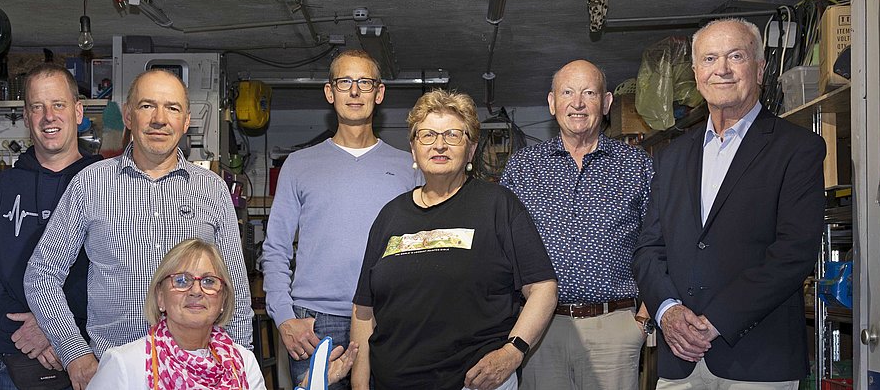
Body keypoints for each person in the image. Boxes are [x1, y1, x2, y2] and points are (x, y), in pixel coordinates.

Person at [25, 69, 254, 390]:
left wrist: (238, 362)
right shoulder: (90, 185)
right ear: (129, 116)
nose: (159, 119)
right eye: (147, 106)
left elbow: (236, 290)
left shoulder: (212, 190)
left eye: (172, 108)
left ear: (186, 121)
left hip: (197, 376)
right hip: (115, 373)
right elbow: (42, 276)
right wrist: (74, 353)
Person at [633, 18, 825, 389]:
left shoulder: (797, 149)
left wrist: (716, 321)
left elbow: (794, 252)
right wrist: (668, 312)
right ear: (695, 73)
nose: (721, 69)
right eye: (709, 59)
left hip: (758, 360)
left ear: (759, 68)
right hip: (679, 362)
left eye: (735, 56)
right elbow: (648, 249)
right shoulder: (671, 158)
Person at [351, 90, 558, 390]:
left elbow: (543, 288)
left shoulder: (498, 205)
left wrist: (512, 353)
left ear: (471, 149)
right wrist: (359, 384)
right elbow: (363, 310)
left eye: (452, 135)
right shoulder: (389, 216)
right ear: (413, 148)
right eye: (427, 135)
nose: (439, 144)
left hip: (474, 383)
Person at [260, 49, 420, 388]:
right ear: (330, 92)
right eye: (345, 81)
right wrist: (285, 318)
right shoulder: (299, 165)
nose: (354, 91)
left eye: (364, 82)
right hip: (314, 324)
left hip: (388, 318)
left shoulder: (410, 167)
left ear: (379, 93)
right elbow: (274, 249)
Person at [500, 59, 654, 390]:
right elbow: (500, 250)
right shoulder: (522, 168)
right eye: (567, 92)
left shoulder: (636, 164)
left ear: (608, 102)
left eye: (589, 92)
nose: (578, 103)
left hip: (615, 328)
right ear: (552, 102)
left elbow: (658, 241)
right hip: (540, 332)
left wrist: (641, 319)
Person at [0, 63, 102, 389]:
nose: (48, 116)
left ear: (78, 112)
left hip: (89, 356)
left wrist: (57, 329)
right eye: (37, 107)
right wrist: (28, 328)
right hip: (12, 353)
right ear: (26, 117)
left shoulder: (109, 185)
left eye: (58, 105)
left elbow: (121, 268)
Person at [88, 238, 358, 389]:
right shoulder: (124, 364)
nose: (196, 291)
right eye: (181, 280)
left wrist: (308, 387)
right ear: (160, 296)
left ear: (222, 300)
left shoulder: (243, 361)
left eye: (208, 281)